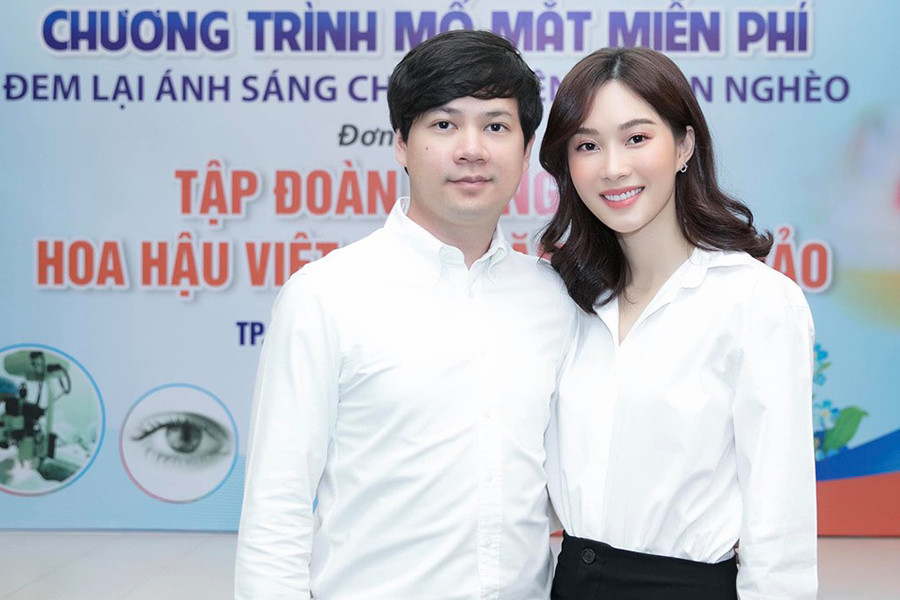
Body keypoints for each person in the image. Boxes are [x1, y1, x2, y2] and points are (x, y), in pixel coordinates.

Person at [234, 30, 577, 599]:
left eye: (496, 126)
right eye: (444, 124)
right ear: (400, 142)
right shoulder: (326, 296)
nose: (472, 149)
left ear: (525, 149)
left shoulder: (553, 299)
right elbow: (277, 504)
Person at [539, 47, 818, 599]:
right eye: (588, 145)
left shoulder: (756, 302)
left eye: (637, 138)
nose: (613, 167)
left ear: (684, 145)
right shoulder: (563, 300)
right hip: (570, 581)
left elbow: (779, 521)